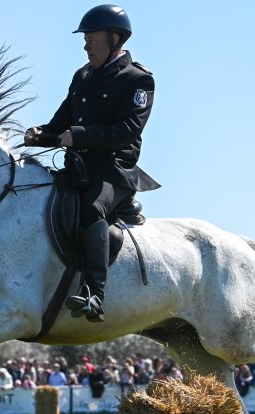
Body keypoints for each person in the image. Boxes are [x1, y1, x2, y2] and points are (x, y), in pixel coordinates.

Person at [25, 4, 158, 322]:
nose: (86, 45)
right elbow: (61, 123)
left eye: (92, 38)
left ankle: (94, 294)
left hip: (115, 171)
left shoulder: (138, 80)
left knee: (91, 209)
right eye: (85, 39)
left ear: (115, 38)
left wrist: (79, 136)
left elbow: (127, 131)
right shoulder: (82, 76)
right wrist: (39, 134)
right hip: (78, 167)